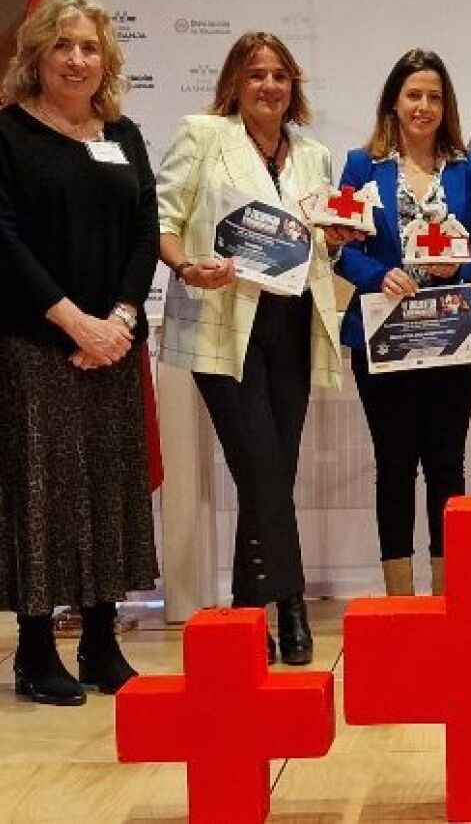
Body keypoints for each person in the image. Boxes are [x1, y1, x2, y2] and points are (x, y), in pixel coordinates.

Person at [0, 0, 158, 705]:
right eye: (63, 46)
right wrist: (74, 324)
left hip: (113, 339)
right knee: (40, 489)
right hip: (30, 340)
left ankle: (101, 641)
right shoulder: (5, 135)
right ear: (36, 56)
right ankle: (34, 650)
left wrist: (119, 319)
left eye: (89, 48)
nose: (77, 60)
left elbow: (145, 229)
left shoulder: (124, 134)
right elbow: (1, 239)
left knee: (108, 484)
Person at [156, 32, 360, 665]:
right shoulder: (202, 136)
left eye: (280, 75)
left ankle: (249, 609)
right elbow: (161, 222)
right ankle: (291, 604)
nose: (269, 86)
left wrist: (336, 242)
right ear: (234, 84)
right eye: (256, 75)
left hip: (293, 327)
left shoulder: (314, 155)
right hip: (224, 326)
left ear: (293, 86)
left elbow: (316, 245)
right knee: (263, 467)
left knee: (270, 472)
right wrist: (186, 267)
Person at [334, 49, 471, 597]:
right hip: (385, 333)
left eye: (434, 97)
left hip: (452, 331)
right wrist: (378, 275)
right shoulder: (362, 166)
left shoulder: (470, 168)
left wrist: (460, 265)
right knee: (395, 464)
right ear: (394, 102)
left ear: (446, 106)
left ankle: (448, 593)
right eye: (414, 95)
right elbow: (341, 249)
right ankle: (400, 598)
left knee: (447, 464)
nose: (424, 106)